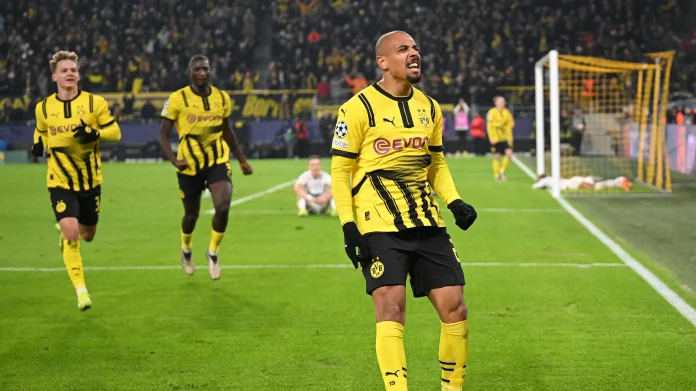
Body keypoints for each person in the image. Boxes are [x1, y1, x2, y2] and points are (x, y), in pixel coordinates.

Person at [330, 31, 477, 391]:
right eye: (403, 49)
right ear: (383, 62)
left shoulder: (430, 106)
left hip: (426, 220)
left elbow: (436, 162)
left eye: (415, 48)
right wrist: (349, 228)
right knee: (391, 309)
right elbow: (340, 171)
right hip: (377, 222)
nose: (414, 53)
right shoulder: (357, 109)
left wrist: (453, 201)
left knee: (455, 307)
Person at [31, 50, 122, 311]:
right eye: (64, 70)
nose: (69, 73)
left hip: (90, 180)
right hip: (59, 180)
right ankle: (82, 292)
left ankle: (69, 237)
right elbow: (41, 131)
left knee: (88, 235)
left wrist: (94, 133)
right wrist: (39, 143)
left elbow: (115, 132)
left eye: (73, 69)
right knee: (72, 233)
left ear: (78, 75)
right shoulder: (44, 107)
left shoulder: (95, 103)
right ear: (54, 77)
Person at [159, 55, 253, 280]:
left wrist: (241, 159)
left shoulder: (222, 98)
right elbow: (163, 134)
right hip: (188, 165)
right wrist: (173, 159)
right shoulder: (177, 98)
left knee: (223, 207)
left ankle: (212, 253)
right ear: (190, 72)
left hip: (217, 161)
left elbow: (227, 131)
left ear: (210, 71)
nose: (201, 73)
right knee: (191, 215)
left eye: (205, 69)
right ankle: (186, 249)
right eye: (197, 69)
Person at [486, 96, 515, 180]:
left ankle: (502, 171)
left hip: (505, 137)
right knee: (496, 155)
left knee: (509, 153)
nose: (502, 103)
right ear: (496, 103)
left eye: (503, 101)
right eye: (500, 101)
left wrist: (510, 136)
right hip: (495, 138)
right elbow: (489, 126)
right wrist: (491, 137)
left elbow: (510, 125)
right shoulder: (491, 112)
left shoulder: (507, 112)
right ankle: (496, 175)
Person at [532, 174, 633, 191]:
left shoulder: (544, 180)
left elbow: (536, 186)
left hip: (570, 184)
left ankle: (619, 181)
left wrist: (536, 184)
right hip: (572, 180)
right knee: (594, 185)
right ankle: (619, 181)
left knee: (594, 187)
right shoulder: (550, 177)